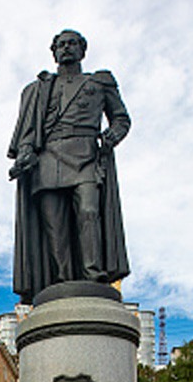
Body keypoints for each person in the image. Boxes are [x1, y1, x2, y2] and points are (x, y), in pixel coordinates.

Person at [8, 29, 130, 300]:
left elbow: (121, 119)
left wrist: (113, 135)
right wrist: (25, 154)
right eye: (61, 45)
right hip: (48, 160)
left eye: (72, 43)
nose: (66, 48)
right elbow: (28, 132)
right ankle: (62, 278)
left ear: (82, 50)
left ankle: (92, 273)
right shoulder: (38, 89)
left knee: (88, 212)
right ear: (54, 53)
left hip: (85, 155)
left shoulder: (99, 82)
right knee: (55, 225)